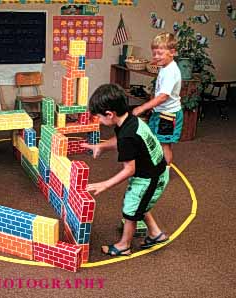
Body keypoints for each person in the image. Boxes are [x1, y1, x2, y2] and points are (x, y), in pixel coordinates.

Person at [81, 84, 170, 256]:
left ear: (109, 114)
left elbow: (129, 169)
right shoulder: (130, 120)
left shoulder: (127, 136)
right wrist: (100, 146)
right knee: (139, 204)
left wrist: (105, 184)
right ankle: (155, 233)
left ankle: (124, 246)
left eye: (99, 117)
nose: (98, 121)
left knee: (130, 210)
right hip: (156, 172)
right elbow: (119, 140)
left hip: (149, 178)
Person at [132, 32, 183, 166]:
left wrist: (142, 107)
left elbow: (163, 96)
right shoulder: (164, 68)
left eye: (160, 53)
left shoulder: (171, 71)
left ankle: (164, 172)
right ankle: (155, 165)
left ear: (172, 52)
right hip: (161, 112)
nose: (156, 57)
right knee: (156, 140)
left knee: (164, 144)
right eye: (154, 53)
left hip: (168, 115)